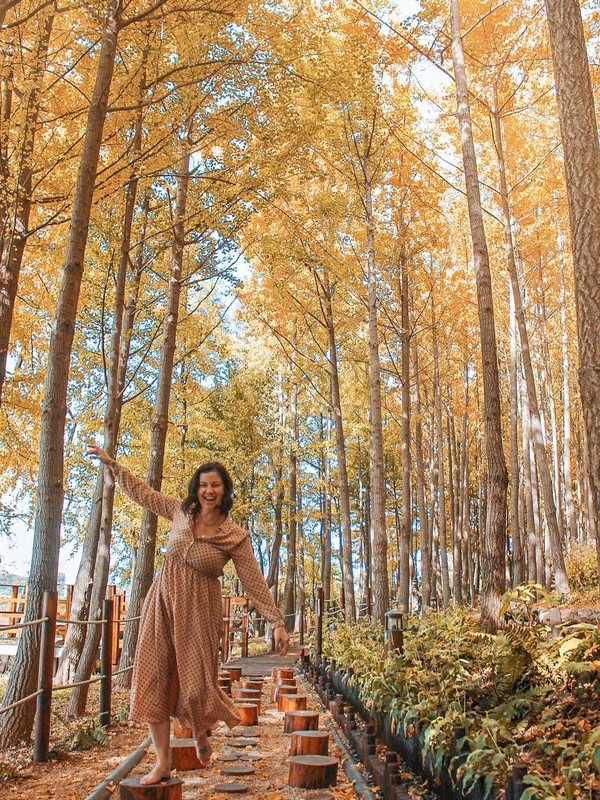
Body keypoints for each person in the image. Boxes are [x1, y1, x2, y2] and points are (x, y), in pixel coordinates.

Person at [87, 446, 290, 785]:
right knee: (152, 677)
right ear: (196, 489)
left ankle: (199, 728)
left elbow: (253, 580)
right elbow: (144, 494)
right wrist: (113, 465)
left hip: (200, 610)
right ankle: (162, 763)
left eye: (215, 485)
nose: (208, 491)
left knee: (196, 687)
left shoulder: (234, 536)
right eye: (203, 485)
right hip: (164, 601)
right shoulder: (181, 512)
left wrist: (277, 623)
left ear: (224, 491)